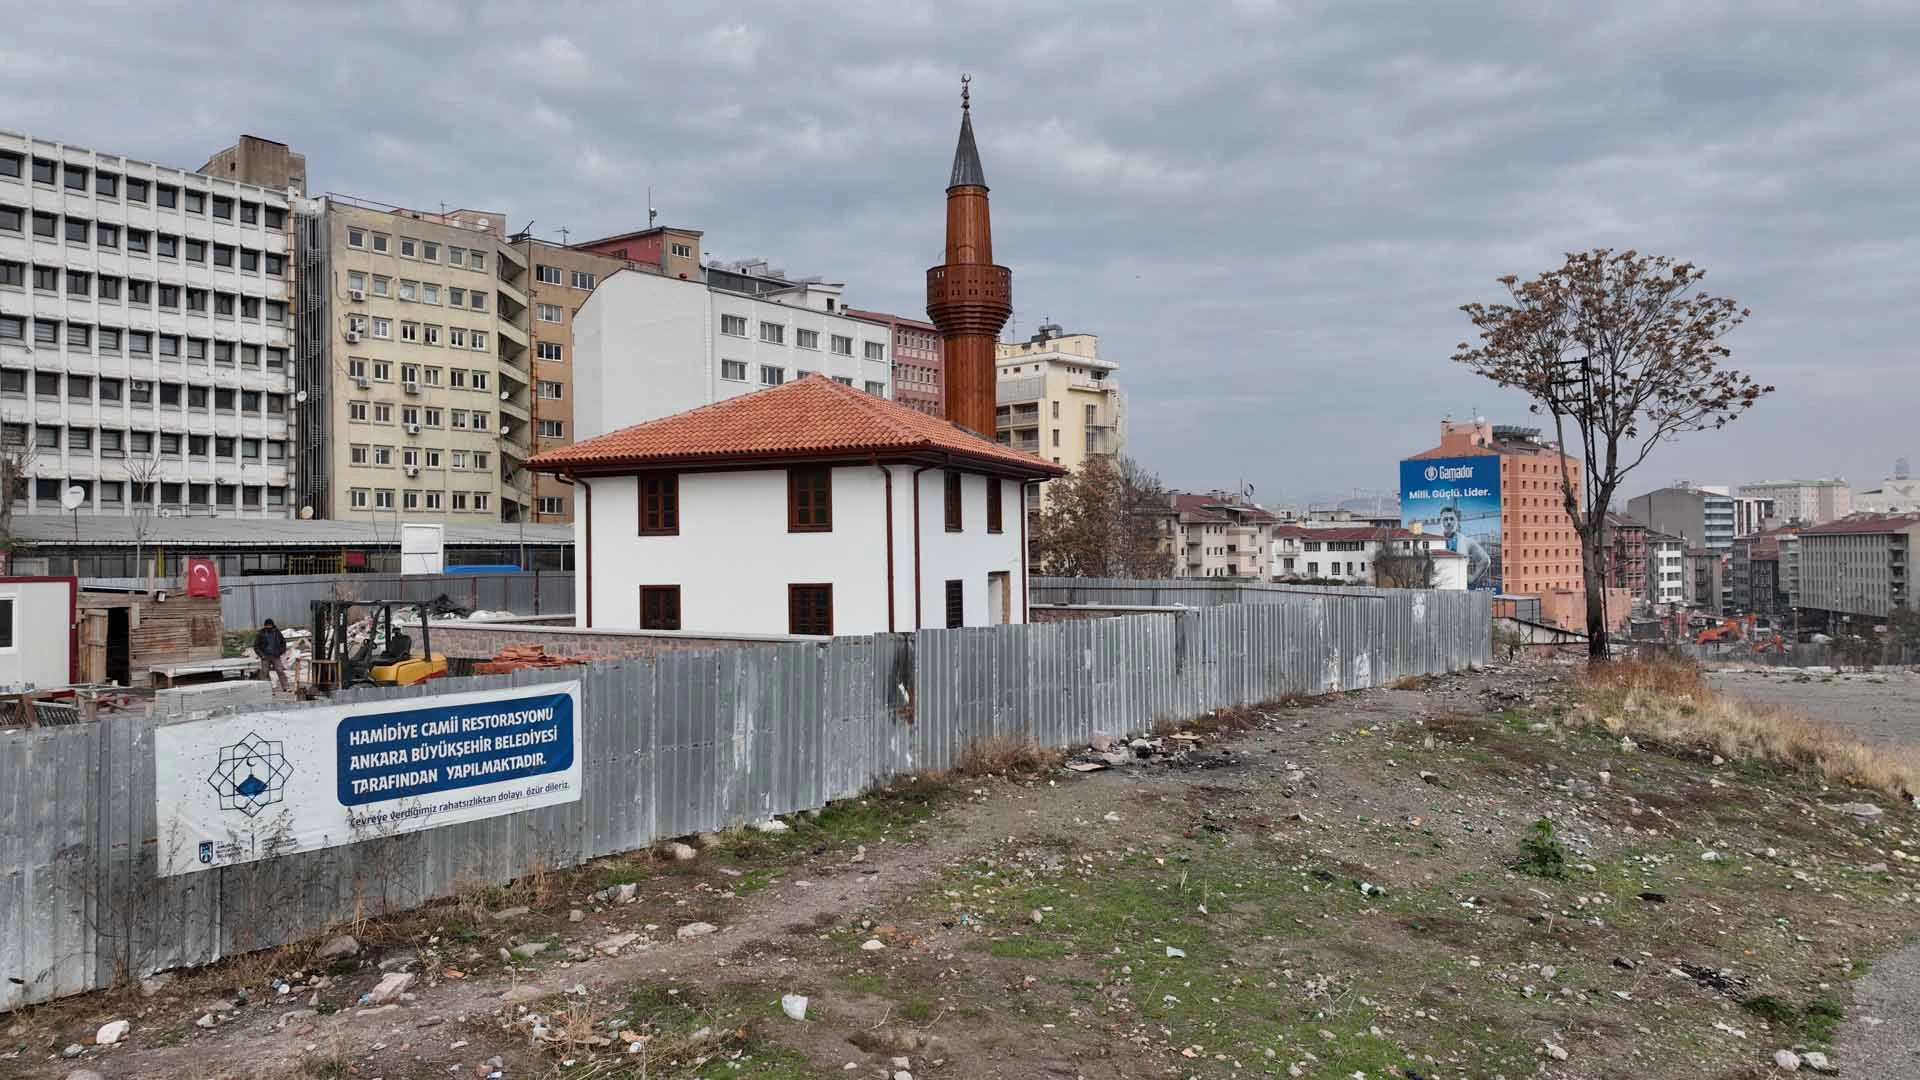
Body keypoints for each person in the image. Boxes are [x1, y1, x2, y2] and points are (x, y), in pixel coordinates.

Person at [253, 618, 291, 691]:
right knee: (265, 673)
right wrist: (262, 655)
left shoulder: (277, 633)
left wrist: (281, 651)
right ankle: (267, 689)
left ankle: (286, 687)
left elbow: (283, 642)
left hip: (275, 655)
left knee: (280, 670)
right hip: (265, 656)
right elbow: (256, 646)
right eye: (267, 626)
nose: (268, 627)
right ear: (265, 626)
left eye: (270, 625)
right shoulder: (261, 633)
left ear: (273, 625)